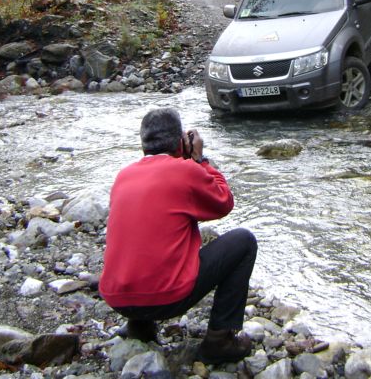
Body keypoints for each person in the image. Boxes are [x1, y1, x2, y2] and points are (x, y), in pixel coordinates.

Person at [99, 107, 257, 364]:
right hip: (167, 298)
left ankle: (140, 327)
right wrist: (199, 160)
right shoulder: (185, 171)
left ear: (143, 145)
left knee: (145, 241)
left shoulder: (123, 176)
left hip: (116, 298)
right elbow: (224, 201)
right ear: (180, 142)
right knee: (244, 241)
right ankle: (220, 339)